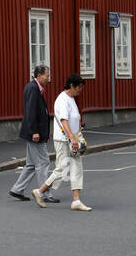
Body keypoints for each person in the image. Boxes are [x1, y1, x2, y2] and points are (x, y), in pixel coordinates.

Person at [35, 73, 92, 211]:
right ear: (71, 86)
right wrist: (72, 137)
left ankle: (76, 201)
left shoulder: (71, 98)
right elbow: (63, 120)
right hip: (63, 140)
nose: (80, 91)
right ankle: (40, 191)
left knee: (77, 167)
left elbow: (72, 118)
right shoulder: (63, 99)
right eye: (79, 88)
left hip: (72, 139)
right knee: (61, 169)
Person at [9, 65, 52, 202]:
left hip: (35, 132)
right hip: (34, 133)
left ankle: (17, 189)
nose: (48, 78)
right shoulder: (33, 88)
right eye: (47, 75)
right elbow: (31, 111)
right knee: (43, 163)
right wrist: (35, 131)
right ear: (39, 75)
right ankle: (43, 193)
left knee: (31, 164)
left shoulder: (34, 87)